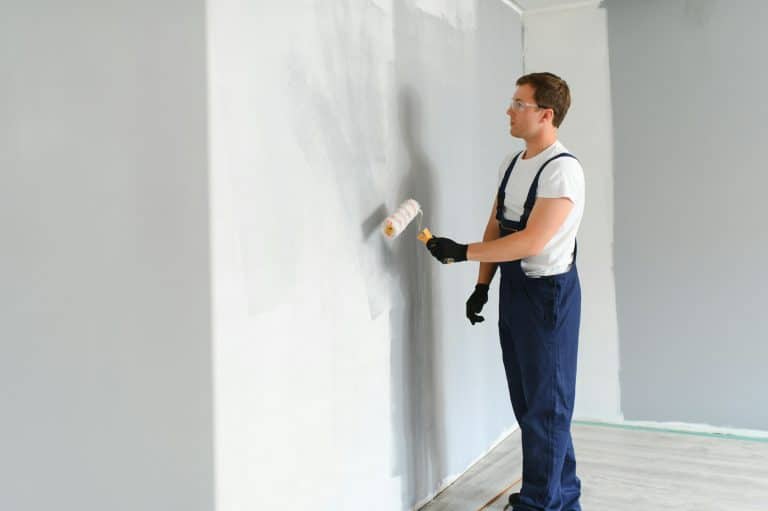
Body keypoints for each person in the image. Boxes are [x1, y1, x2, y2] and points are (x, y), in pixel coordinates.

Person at [424, 72, 585, 511]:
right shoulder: (512, 164)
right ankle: (563, 498)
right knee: (531, 404)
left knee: (546, 408)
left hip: (547, 295)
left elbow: (533, 241)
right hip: (515, 290)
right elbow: (497, 225)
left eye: (519, 104)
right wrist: (482, 285)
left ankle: (538, 504)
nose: (509, 111)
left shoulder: (562, 171)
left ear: (546, 114)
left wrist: (463, 253)